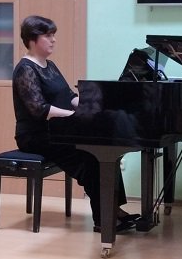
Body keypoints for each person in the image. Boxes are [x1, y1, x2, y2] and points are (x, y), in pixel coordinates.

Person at [12, 15, 139, 233]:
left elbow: (69, 96)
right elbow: (39, 109)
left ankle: (113, 210)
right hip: (35, 136)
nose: (53, 40)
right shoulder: (25, 69)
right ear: (32, 39)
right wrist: (73, 115)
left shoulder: (49, 65)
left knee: (106, 149)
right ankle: (103, 219)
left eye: (54, 35)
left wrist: (96, 106)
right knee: (91, 155)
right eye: (48, 35)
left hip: (57, 130)